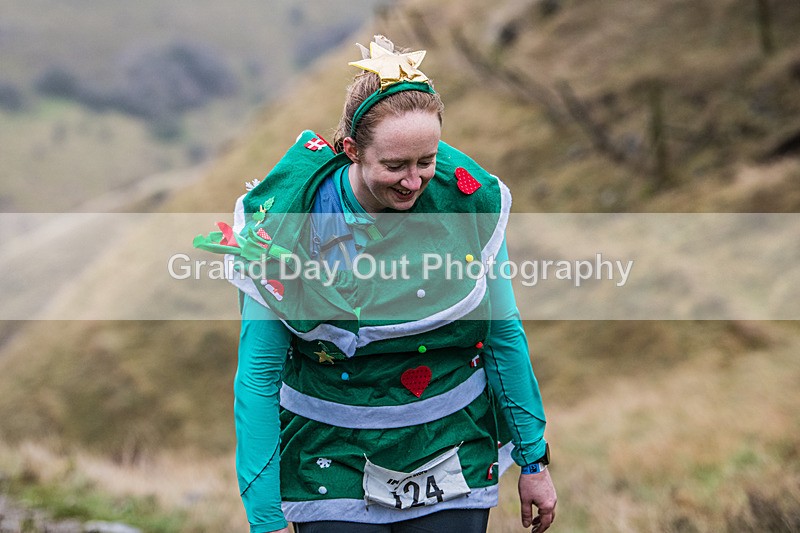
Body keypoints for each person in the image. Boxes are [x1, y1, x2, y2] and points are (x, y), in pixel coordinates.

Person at [194, 35, 557, 533]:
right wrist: (264, 518)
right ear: (350, 151)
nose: (413, 181)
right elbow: (258, 376)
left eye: (426, 161)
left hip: (452, 446)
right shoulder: (286, 222)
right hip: (329, 458)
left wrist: (535, 463)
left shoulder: (466, 204)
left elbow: (501, 334)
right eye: (394, 166)